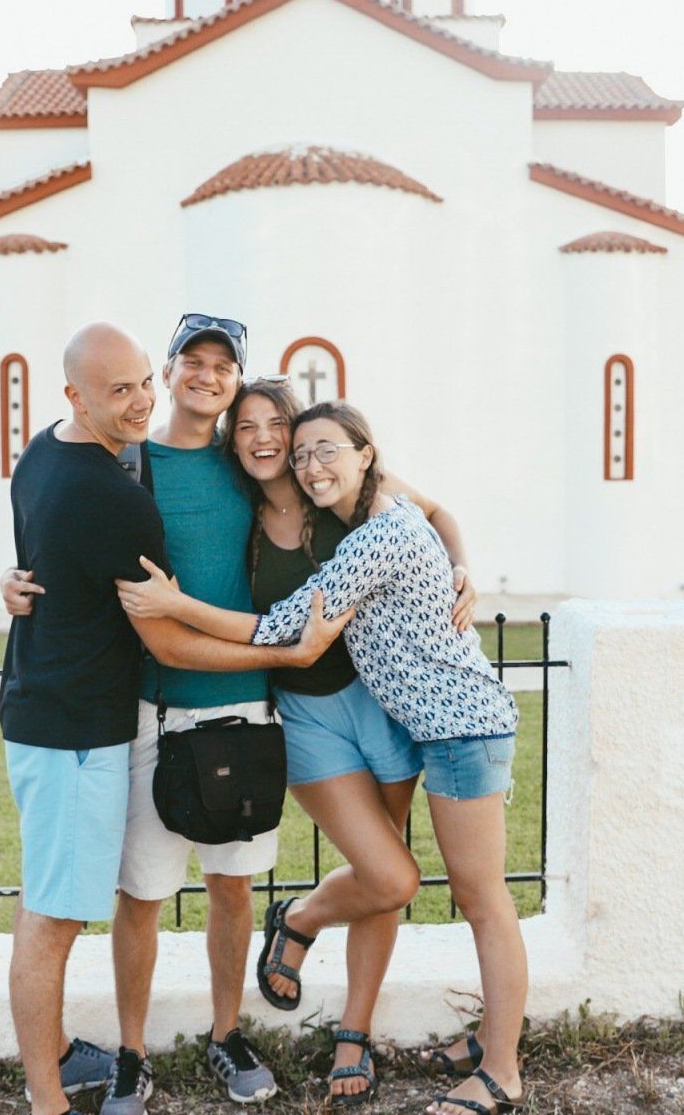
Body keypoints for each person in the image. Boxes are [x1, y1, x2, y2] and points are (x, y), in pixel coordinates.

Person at [116, 401, 528, 1115]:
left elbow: (294, 625)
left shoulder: (374, 517)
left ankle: (492, 1065)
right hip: (392, 722)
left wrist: (462, 566)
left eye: (317, 447)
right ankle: (489, 1040)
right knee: (405, 878)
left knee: (481, 901)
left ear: (364, 454)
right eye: (298, 451)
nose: (305, 462)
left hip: (441, 724)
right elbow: (290, 631)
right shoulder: (273, 502)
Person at [0, 322, 346, 1115]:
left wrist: (454, 555)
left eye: (224, 366)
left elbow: (376, 488)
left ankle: (227, 1033)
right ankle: (130, 1052)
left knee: (232, 888)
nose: (207, 376)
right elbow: (66, 539)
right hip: (148, 714)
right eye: (194, 361)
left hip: (243, 712)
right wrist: (13, 579)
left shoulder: (249, 464)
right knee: (142, 894)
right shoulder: (126, 468)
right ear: (171, 370)